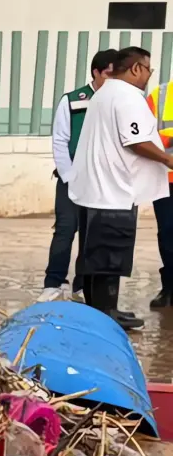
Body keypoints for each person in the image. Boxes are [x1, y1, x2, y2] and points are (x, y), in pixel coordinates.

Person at [68, 45, 173, 331]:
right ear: (136, 68)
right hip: (114, 191)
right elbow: (135, 141)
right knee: (109, 256)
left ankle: (99, 310)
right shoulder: (127, 97)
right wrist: (168, 159)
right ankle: (106, 313)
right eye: (148, 69)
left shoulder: (105, 93)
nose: (149, 76)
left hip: (97, 189)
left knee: (95, 255)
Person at [43, 49, 117, 302]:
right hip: (71, 179)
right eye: (109, 74)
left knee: (92, 235)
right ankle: (53, 284)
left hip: (102, 182)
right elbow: (60, 141)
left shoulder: (120, 102)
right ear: (96, 72)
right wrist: (68, 175)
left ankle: (81, 287)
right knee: (65, 230)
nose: (114, 79)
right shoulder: (74, 101)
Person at [145, 59, 173, 307]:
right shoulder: (160, 95)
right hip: (166, 179)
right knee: (167, 234)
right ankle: (170, 288)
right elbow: (143, 136)